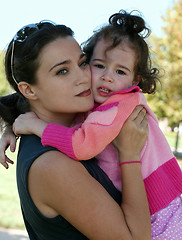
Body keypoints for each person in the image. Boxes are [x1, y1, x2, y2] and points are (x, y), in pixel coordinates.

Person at [10, 10, 182, 239]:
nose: (83, 77)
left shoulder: (98, 114)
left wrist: (13, 123)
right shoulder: (52, 164)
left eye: (82, 63)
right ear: (28, 90)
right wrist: (129, 154)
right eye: (62, 71)